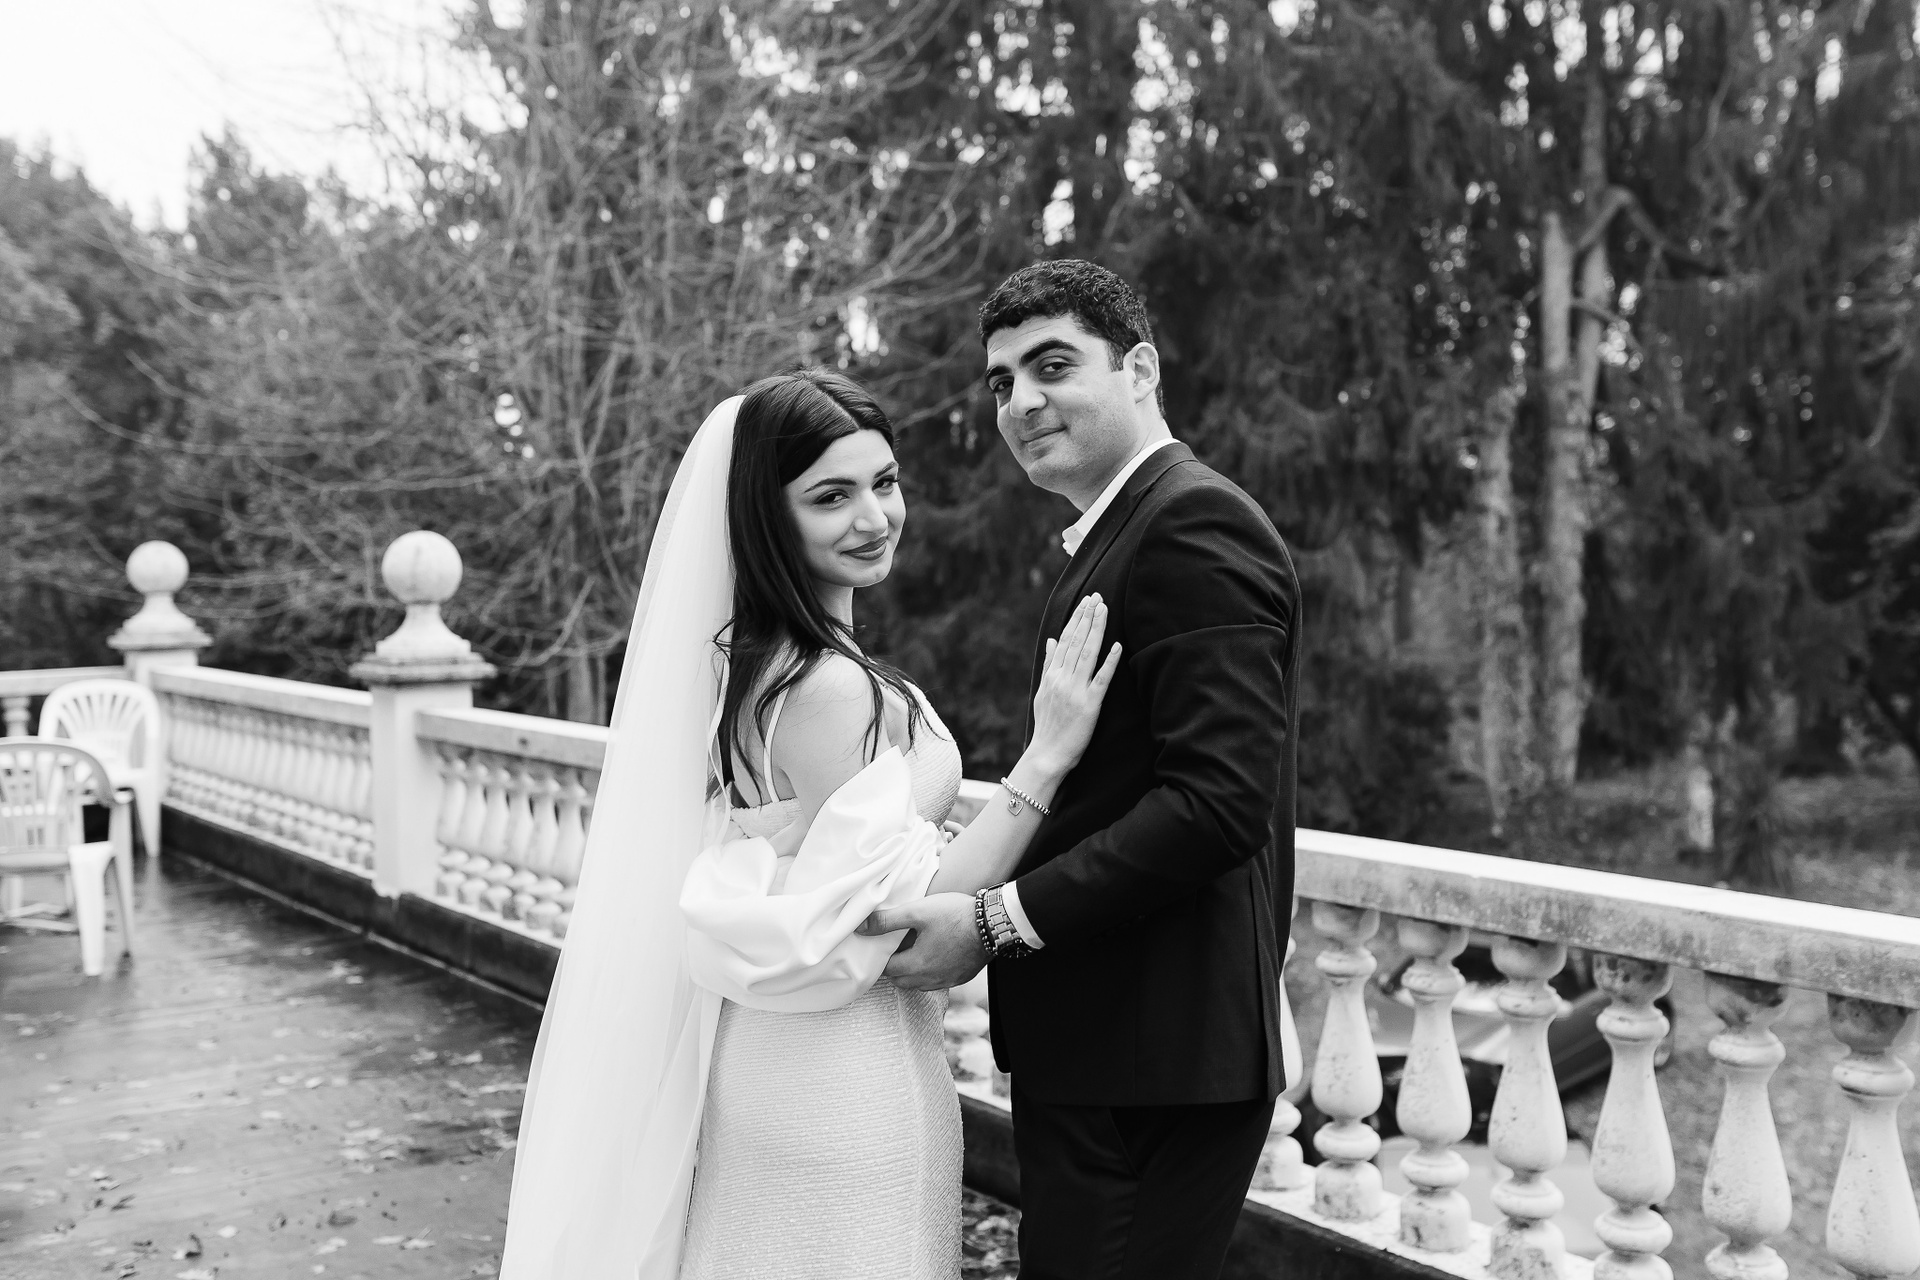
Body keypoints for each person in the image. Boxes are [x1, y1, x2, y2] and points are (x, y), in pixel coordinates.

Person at [497, 368, 1120, 1280]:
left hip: (773, 1054)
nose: (874, 517)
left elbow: (820, 861)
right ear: (768, 517)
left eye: (885, 482)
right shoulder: (830, 689)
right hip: (848, 1068)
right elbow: (902, 917)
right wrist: (1048, 755)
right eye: (831, 497)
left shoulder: (749, 666)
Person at [867, 260, 1303, 1280]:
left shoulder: (1192, 523)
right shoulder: (1121, 531)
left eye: (1052, 365)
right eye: (1002, 381)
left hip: (1155, 1067)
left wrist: (994, 918)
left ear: (1139, 368)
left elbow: (1218, 804)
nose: (1021, 401)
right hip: (1108, 1054)